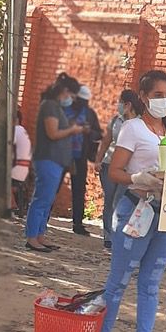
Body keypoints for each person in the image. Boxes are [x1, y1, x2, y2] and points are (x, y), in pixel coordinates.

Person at [94, 70, 166, 332]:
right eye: (157, 95)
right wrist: (137, 178)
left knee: (150, 284)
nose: (163, 100)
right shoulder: (132, 129)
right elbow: (115, 170)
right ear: (144, 97)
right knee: (119, 278)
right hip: (134, 210)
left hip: (165, 216)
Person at [25, 73, 83, 252]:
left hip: (55, 161)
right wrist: (72, 130)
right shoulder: (50, 106)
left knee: (47, 199)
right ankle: (32, 237)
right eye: (72, 96)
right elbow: (52, 133)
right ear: (65, 91)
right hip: (47, 159)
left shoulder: (56, 107)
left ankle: (40, 234)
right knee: (41, 199)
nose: (71, 100)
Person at [94, 89, 143, 249]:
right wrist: (98, 160)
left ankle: (119, 234)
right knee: (109, 200)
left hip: (128, 169)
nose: (118, 105)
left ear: (128, 105)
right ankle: (108, 235)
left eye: (120, 102)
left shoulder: (140, 123)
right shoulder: (116, 120)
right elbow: (106, 141)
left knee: (120, 201)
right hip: (109, 164)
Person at [60, 85, 102, 236]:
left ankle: (77, 223)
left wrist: (89, 131)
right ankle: (43, 218)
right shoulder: (65, 110)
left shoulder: (89, 113)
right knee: (54, 186)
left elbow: (98, 133)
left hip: (80, 156)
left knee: (79, 190)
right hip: (62, 155)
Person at [12, 109, 33, 216]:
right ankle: (22, 206)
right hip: (25, 165)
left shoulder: (16, 130)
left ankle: (20, 207)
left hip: (18, 165)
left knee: (15, 186)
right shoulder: (22, 130)